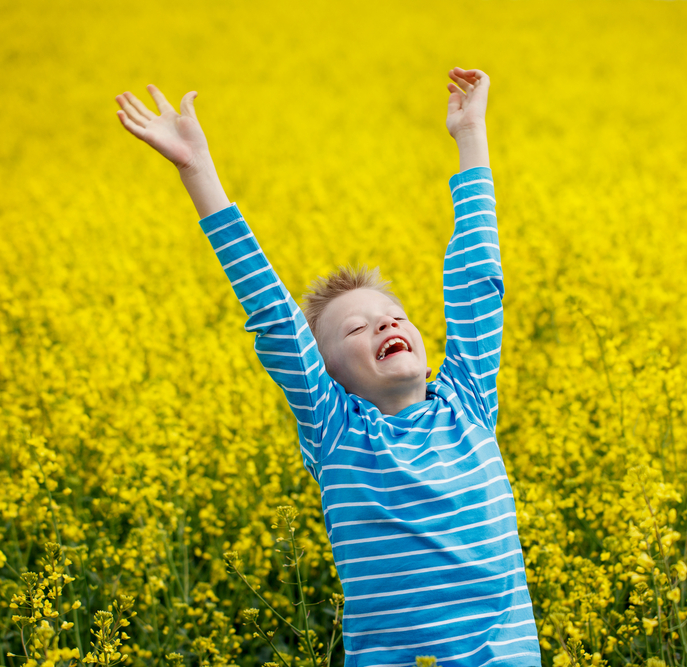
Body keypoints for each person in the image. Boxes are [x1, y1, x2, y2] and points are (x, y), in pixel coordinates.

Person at [115, 68, 541, 666]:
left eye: (394, 316)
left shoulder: (467, 403)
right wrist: (197, 171)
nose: (387, 326)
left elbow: (477, 278)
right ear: (328, 374)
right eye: (357, 329)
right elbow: (273, 315)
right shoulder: (337, 432)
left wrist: (471, 138)